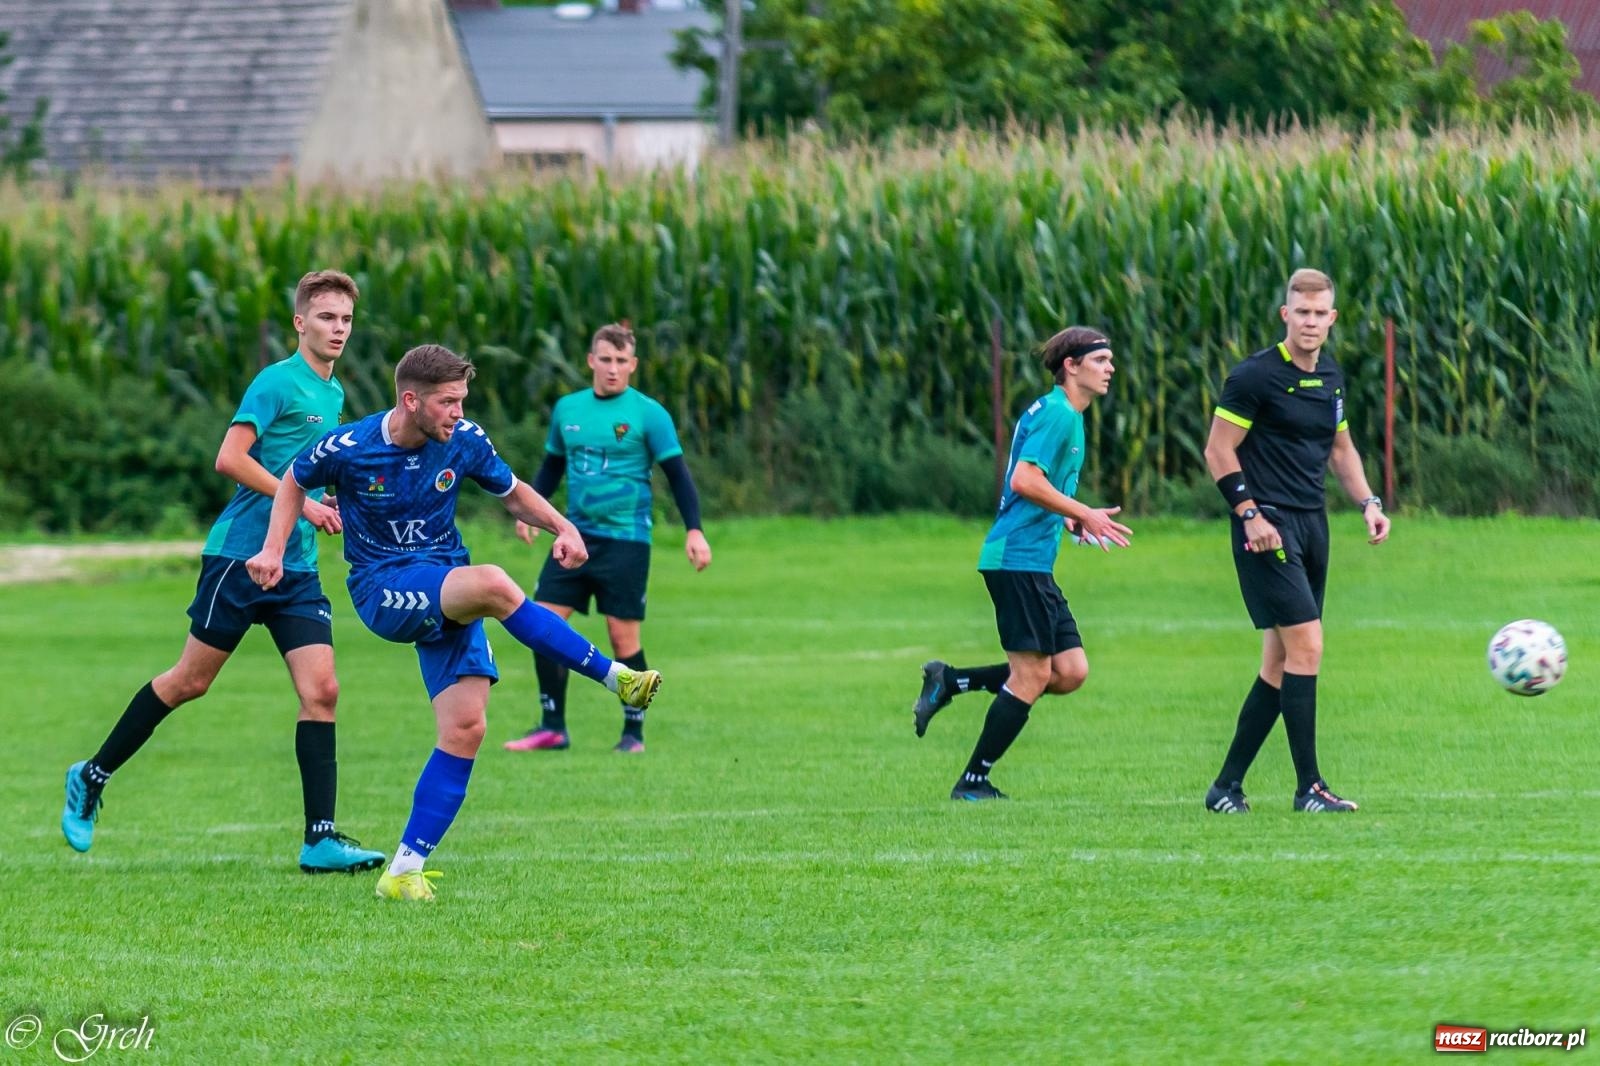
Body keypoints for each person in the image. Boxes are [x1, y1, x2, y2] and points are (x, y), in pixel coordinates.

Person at [246, 344, 662, 902]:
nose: (458, 412)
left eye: (462, 400)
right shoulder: (351, 447)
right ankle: (616, 678)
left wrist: (563, 527)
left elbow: (512, 493)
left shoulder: (463, 439)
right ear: (411, 401)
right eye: (447, 402)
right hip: (383, 587)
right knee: (494, 583)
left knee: (467, 727)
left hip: (444, 583)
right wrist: (273, 549)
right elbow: (294, 481)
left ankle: (404, 870)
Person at [60, 270, 385, 874]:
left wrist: (335, 500)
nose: (338, 329)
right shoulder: (276, 382)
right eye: (326, 317)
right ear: (300, 323)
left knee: (322, 691)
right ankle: (92, 774)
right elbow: (229, 458)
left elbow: (309, 470)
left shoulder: (334, 393)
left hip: (296, 566)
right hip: (239, 557)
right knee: (190, 681)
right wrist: (303, 504)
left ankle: (319, 839)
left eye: (345, 319)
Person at [912, 327, 1131, 801]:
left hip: (1031, 561)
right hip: (1017, 559)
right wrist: (1083, 512)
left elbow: (1036, 489)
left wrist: (1072, 521)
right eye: (1100, 360)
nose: (1110, 368)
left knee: (1069, 671)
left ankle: (950, 681)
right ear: (1071, 366)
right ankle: (973, 783)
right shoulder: (1059, 414)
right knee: (1032, 675)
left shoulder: (1064, 413)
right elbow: (1025, 481)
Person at [1201, 268, 1391, 815]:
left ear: (1332, 318)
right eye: (1301, 312)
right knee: (1307, 647)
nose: (1310, 322)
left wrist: (1369, 502)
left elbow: (1341, 450)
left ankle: (1225, 788)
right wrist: (1249, 514)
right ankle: (1310, 787)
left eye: (1319, 313)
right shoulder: (1255, 376)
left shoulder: (1330, 376)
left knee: (1280, 664)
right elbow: (1218, 450)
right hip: (1267, 527)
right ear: (1286, 315)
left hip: (1313, 525)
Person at [505, 323, 710, 755]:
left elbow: (679, 476)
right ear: (591, 361)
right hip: (574, 537)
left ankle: (633, 733)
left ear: (633, 365)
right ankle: (553, 727)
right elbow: (552, 467)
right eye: (605, 359)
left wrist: (694, 529)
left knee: (622, 639)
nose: (612, 368)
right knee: (542, 624)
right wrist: (530, 512)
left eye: (621, 361)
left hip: (626, 542)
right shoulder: (568, 409)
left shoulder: (649, 414)